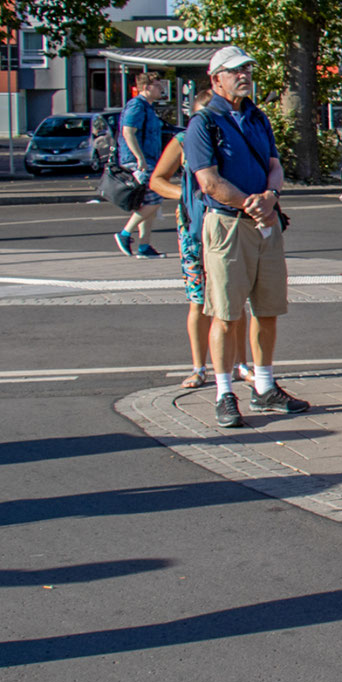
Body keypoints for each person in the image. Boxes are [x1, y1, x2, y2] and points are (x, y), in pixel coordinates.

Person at [183, 46, 305, 428]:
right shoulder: (203, 123)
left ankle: (264, 386)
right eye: (235, 70)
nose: (245, 75)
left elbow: (274, 164)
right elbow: (208, 180)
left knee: (267, 308)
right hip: (227, 224)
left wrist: (271, 196)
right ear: (215, 78)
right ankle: (223, 392)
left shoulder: (257, 117)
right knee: (225, 313)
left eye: (247, 69)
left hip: (264, 222)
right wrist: (250, 204)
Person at [146, 90, 242, 389]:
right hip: (194, 226)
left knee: (235, 298)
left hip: (229, 223)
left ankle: (240, 365)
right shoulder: (183, 140)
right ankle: (200, 367)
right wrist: (185, 196)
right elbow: (158, 179)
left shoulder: (232, 136)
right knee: (198, 300)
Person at [115, 73, 167, 258]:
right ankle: (125, 233)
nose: (161, 88)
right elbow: (128, 131)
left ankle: (144, 246)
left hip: (149, 159)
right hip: (140, 162)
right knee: (155, 200)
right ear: (146, 87)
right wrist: (140, 158)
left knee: (147, 203)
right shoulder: (137, 106)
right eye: (157, 84)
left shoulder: (148, 107)